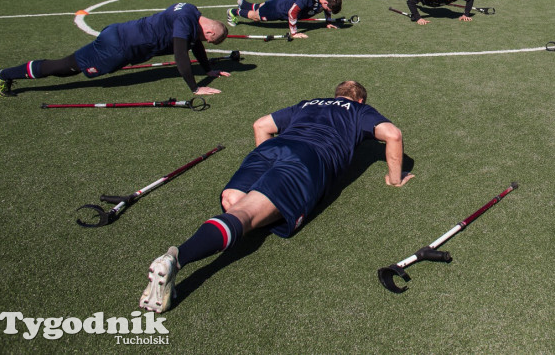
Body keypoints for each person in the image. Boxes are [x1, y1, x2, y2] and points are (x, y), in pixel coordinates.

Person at [138, 80, 413, 313]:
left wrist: (268, 170)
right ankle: (178, 257)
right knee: (244, 215)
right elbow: (393, 134)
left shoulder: (308, 103)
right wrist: (394, 178)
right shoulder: (358, 110)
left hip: (272, 149)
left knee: (233, 202)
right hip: (307, 159)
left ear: (334, 95)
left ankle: (249, 211)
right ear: (360, 99)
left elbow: (261, 126)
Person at [0, 3, 229, 97]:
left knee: (70, 65)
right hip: (117, 47)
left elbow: (193, 43)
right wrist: (195, 87)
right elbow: (180, 54)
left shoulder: (191, 11)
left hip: (118, 32)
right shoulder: (185, 25)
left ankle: (7, 74)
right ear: (209, 33)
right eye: (208, 40)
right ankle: (3, 75)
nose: (203, 42)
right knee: (67, 66)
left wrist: (207, 69)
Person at [228, 0, 343, 39]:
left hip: (285, 0)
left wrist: (328, 21)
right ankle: (234, 12)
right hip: (280, 9)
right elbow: (292, 12)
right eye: (327, 10)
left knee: (263, 6)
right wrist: (294, 33)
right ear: (325, 3)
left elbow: (327, 9)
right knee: (256, 16)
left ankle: (243, 3)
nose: (327, 12)